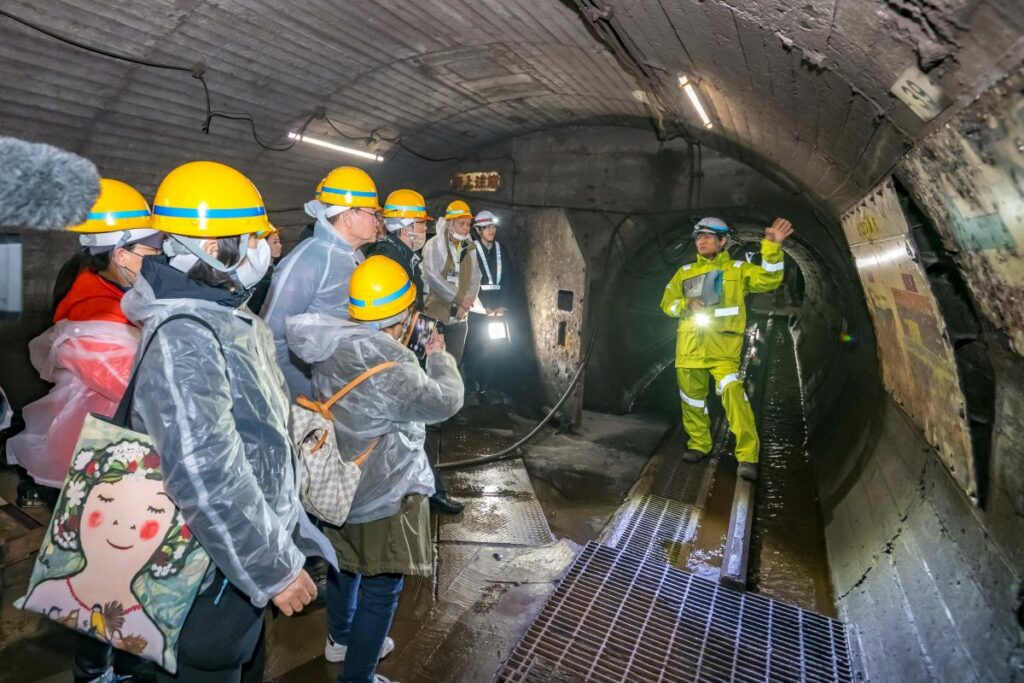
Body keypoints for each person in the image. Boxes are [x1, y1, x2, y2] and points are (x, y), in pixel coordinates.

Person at [117, 160, 332, 682]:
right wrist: (274, 567)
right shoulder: (184, 336)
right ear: (212, 249)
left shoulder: (222, 315)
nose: (265, 247)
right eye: (252, 237)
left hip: (232, 565)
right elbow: (204, 472)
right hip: (200, 576)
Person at [286, 255, 463, 683]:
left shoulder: (332, 345)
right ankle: (359, 676)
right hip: (380, 492)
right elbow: (446, 401)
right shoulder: (394, 368)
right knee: (382, 587)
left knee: (345, 567)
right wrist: (438, 357)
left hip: (335, 482)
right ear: (404, 316)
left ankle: (340, 640)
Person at [6, 179, 163, 501]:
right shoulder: (94, 316)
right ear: (120, 255)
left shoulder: (113, 291)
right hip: (94, 454)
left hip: (107, 443)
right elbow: (139, 390)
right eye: (152, 252)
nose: (158, 260)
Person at [660, 217, 793, 481]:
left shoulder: (738, 270)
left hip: (723, 351)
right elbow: (667, 304)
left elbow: (769, 280)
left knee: (733, 393)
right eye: (699, 237)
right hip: (689, 349)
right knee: (692, 401)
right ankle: (699, 444)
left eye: (709, 236)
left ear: (724, 241)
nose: (702, 241)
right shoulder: (684, 272)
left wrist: (772, 247)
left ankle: (747, 456)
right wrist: (686, 305)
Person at [366, 189, 464, 515]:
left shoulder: (402, 255)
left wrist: (428, 335)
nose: (423, 230)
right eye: (419, 224)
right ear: (404, 226)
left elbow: (410, 311)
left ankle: (425, 486)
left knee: (412, 427)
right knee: (409, 426)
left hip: (406, 351)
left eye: (423, 224)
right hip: (393, 357)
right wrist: (424, 340)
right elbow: (393, 316)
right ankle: (426, 489)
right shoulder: (387, 258)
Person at [261, 167, 382, 399]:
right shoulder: (311, 258)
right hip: (316, 391)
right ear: (348, 216)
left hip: (344, 385)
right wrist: (306, 393)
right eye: (372, 213)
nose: (378, 221)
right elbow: (272, 335)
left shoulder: (356, 256)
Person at [420, 199, 481, 367]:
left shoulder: (469, 248)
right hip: (431, 314)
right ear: (449, 223)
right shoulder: (433, 245)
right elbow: (432, 276)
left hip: (459, 318)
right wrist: (460, 298)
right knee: (427, 361)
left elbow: (476, 276)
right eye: (462, 223)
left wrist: (465, 304)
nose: (466, 228)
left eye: (468, 224)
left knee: (453, 363)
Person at [462, 210, 513, 404]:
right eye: (487, 227)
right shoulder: (470, 250)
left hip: (497, 309)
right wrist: (484, 307)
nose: (492, 230)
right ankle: (472, 388)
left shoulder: (501, 250)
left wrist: (502, 306)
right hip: (478, 309)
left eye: (493, 227)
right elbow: (468, 281)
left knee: (495, 349)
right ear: (478, 230)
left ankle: (488, 388)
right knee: (474, 348)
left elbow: (508, 278)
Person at [245, 224, 283, 314]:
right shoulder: (262, 277)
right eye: (275, 242)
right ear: (262, 246)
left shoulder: (271, 266)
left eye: (279, 241)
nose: (280, 246)